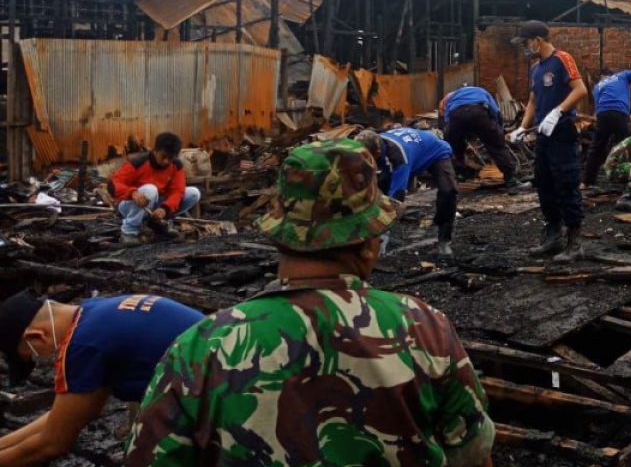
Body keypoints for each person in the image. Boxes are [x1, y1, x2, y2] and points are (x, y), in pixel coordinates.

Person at [125, 139, 495, 467]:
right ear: (369, 245)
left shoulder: (199, 348)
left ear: (279, 236)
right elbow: (473, 455)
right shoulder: (425, 329)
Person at [0, 290, 202, 466]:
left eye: (30, 357)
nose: (39, 363)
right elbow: (65, 416)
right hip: (220, 364)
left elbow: (52, 443)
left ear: (36, 337)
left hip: (215, 394)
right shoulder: (95, 311)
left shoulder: (83, 345)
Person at [508, 20, 588, 261]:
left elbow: (580, 89)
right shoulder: (536, 69)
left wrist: (558, 111)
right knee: (544, 184)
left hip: (562, 132)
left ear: (537, 40)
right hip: (543, 134)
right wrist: (522, 128)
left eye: (525, 43)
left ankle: (575, 243)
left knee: (566, 183)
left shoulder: (562, 59)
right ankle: (554, 236)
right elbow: (532, 101)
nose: (524, 48)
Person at [356, 127, 458, 258]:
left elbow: (397, 198)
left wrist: (383, 236)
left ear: (377, 152)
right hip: (411, 154)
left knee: (448, 190)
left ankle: (444, 240)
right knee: (380, 191)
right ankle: (371, 236)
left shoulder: (398, 156)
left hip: (435, 153)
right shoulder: (372, 142)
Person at [110, 131, 201, 244]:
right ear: (155, 150)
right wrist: (133, 193)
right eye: (163, 156)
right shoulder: (138, 162)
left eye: (171, 158)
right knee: (150, 189)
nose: (166, 161)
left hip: (153, 206)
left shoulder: (176, 166)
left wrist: (165, 209)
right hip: (129, 206)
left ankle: (158, 224)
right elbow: (113, 184)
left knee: (194, 193)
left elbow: (178, 191)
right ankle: (129, 232)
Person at [441, 84, 529, 195]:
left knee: (454, 148)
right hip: (479, 113)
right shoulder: (482, 91)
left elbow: (447, 119)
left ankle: (459, 176)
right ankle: (511, 182)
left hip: (456, 116)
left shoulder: (453, 97)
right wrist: (499, 131)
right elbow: (495, 111)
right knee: (497, 147)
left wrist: (454, 138)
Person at [582, 66, 631, 187]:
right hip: (620, 113)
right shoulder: (622, 76)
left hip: (603, 115)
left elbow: (599, 106)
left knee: (596, 149)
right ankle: (627, 181)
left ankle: (586, 182)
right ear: (612, 74)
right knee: (625, 146)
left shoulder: (597, 87)